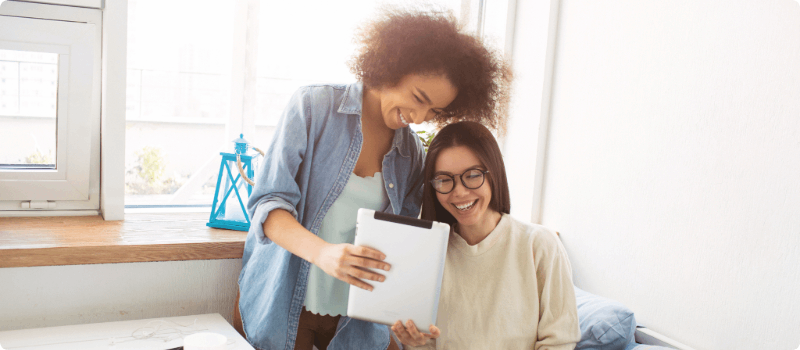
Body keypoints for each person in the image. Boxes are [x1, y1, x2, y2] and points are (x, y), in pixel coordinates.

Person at [238, 8, 511, 350]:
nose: (419, 118)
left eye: (434, 112)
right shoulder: (313, 107)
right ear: (391, 67)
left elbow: (399, 245)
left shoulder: (412, 153)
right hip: (285, 304)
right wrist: (324, 254)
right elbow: (268, 204)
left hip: (355, 325)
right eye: (418, 98)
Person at [391, 121, 581, 349]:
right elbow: (428, 344)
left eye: (472, 175)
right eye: (444, 180)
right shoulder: (429, 253)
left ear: (493, 173)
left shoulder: (539, 245)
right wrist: (415, 344)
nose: (459, 192)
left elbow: (559, 341)